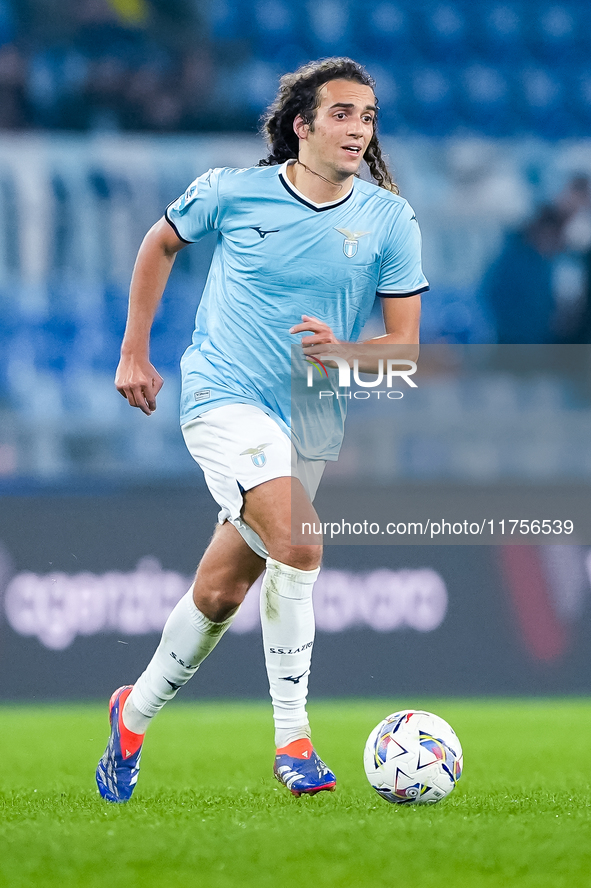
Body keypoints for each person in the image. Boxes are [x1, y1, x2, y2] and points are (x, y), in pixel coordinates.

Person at [95, 57, 428, 803]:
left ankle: (132, 713)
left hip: (308, 419)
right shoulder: (231, 192)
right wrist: (134, 352)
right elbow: (159, 244)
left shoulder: (387, 219)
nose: (358, 128)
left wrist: (341, 353)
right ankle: (293, 738)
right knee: (302, 541)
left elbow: (402, 347)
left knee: (219, 593)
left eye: (368, 117)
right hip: (223, 396)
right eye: (341, 113)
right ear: (300, 125)